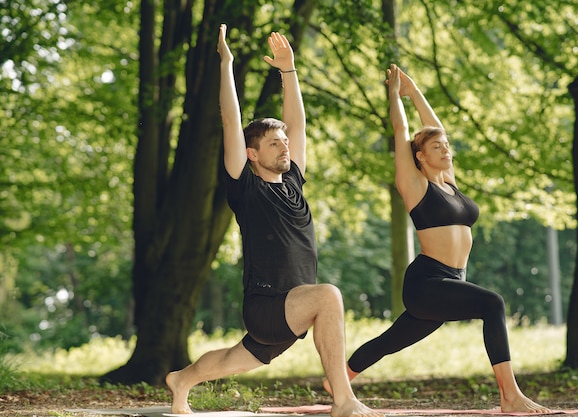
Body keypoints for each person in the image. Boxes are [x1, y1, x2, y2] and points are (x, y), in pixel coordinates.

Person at [165, 24, 384, 417]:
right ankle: (344, 400)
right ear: (252, 154)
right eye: (273, 143)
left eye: (285, 142)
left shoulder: (294, 182)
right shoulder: (245, 187)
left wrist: (289, 71)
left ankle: (181, 380)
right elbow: (232, 123)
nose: (285, 146)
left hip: (292, 310)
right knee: (329, 295)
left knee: (233, 360)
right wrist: (226, 65)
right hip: (268, 304)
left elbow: (296, 124)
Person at [325, 64, 550, 414]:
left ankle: (336, 379)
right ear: (420, 156)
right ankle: (510, 397)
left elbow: (438, 128)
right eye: (436, 147)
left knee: (390, 341)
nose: (446, 149)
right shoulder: (415, 186)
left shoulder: (449, 182)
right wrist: (394, 95)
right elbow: (401, 130)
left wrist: (415, 92)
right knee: (493, 303)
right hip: (428, 281)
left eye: (446, 146)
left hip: (450, 281)